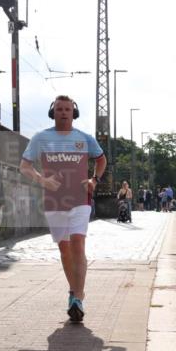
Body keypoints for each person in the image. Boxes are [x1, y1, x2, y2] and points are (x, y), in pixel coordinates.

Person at [19, 95, 107, 322]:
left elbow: (101, 160)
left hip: (80, 197)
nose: (64, 113)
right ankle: (73, 291)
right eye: (59, 109)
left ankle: (78, 297)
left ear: (74, 113)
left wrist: (93, 180)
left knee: (78, 243)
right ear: (53, 112)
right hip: (53, 201)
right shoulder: (41, 138)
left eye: (68, 109)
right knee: (64, 249)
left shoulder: (85, 138)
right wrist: (42, 180)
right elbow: (24, 166)